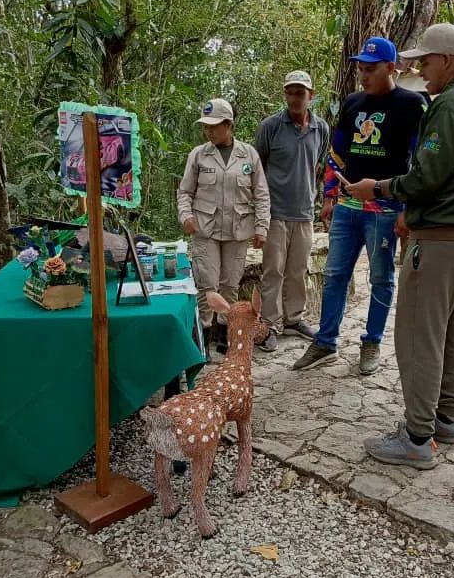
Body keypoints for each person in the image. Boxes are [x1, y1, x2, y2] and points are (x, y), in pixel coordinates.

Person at [345, 23, 454, 469]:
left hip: (441, 237)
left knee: (419, 335)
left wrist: (378, 188)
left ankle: (418, 437)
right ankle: (446, 418)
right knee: (452, 330)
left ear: (448, 60)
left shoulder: (452, 105)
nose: (419, 70)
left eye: (425, 61)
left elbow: (427, 176)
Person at [292, 37, 426, 375]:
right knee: (335, 273)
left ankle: (372, 342)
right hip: (348, 206)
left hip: (385, 209)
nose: (363, 76)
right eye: (361, 70)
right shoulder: (353, 103)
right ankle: (325, 341)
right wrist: (329, 195)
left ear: (391, 68)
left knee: (382, 277)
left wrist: (409, 208)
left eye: (371, 69)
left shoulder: (411, 105)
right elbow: (338, 153)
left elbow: (420, 160)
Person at [177, 98, 270, 358]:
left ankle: (223, 334)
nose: (209, 131)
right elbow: (184, 191)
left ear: (229, 125)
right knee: (207, 286)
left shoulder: (248, 155)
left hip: (238, 230)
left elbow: (261, 193)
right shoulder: (198, 155)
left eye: (214, 126)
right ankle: (202, 337)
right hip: (204, 229)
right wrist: (186, 216)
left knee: (229, 285)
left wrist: (262, 227)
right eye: (206, 126)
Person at [254, 71, 330, 352]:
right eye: (290, 92)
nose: (295, 98)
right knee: (273, 270)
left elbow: (317, 163)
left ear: (311, 95)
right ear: (285, 95)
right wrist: (258, 211)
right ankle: (270, 325)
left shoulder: (320, 128)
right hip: (275, 211)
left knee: (298, 270)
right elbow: (257, 166)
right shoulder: (271, 126)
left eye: (301, 93)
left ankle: (293, 319)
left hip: (305, 212)